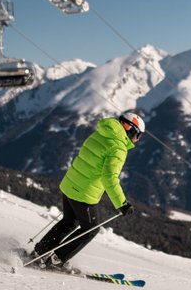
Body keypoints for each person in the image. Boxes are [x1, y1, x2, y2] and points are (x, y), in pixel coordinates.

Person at [30, 111, 146, 269]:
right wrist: (122, 203)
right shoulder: (118, 147)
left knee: (68, 222)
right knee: (90, 229)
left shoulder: (101, 132)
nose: (137, 140)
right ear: (130, 129)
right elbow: (109, 178)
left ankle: (40, 253)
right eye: (138, 136)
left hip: (70, 184)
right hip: (83, 193)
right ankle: (57, 260)